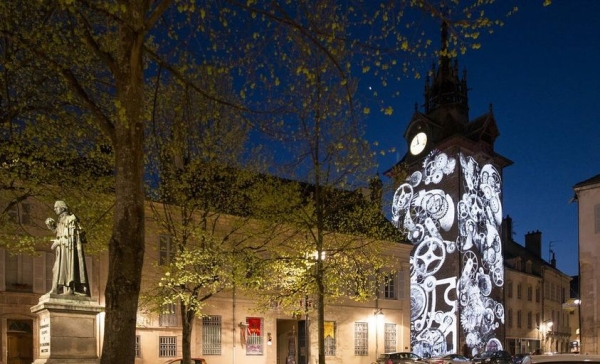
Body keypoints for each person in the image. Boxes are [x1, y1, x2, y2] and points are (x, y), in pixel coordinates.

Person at [45, 200, 90, 296]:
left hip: (69, 251)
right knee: (56, 268)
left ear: (63, 208)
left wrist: (59, 241)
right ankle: (55, 289)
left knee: (68, 267)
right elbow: (60, 233)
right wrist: (52, 227)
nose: (55, 209)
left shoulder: (70, 219)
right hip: (62, 250)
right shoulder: (61, 221)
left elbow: (71, 237)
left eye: (56, 207)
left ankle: (70, 288)